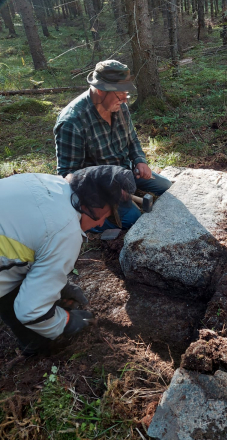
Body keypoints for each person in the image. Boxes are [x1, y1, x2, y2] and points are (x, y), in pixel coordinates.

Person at [0, 165, 135, 356]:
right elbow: (31, 311)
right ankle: (35, 345)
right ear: (91, 207)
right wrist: (67, 321)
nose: (101, 224)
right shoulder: (65, 231)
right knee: (38, 327)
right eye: (104, 216)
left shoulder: (49, 182)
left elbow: (30, 239)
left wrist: (60, 285)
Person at [54, 60, 172, 230]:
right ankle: (84, 220)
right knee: (133, 218)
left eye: (126, 94)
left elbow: (132, 140)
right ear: (101, 90)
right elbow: (68, 175)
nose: (125, 100)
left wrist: (139, 160)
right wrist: (106, 190)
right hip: (97, 185)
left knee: (165, 187)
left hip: (126, 171)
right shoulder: (72, 121)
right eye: (120, 94)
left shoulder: (119, 106)